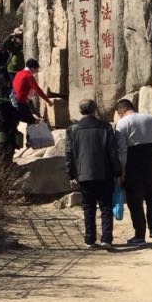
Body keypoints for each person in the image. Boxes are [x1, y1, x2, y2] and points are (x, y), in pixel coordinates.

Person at [111, 97, 152, 245]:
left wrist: (122, 171)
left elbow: (122, 150)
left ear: (120, 112)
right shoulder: (151, 118)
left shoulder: (122, 124)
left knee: (135, 201)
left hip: (133, 163)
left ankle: (139, 235)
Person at [64, 106, 120, 250]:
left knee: (88, 208)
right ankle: (106, 239)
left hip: (83, 175)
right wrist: (117, 171)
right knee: (106, 207)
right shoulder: (105, 127)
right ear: (95, 110)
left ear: (81, 111)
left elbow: (69, 154)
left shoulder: (72, 129)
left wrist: (71, 174)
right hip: (104, 173)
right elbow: (112, 151)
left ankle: (90, 239)